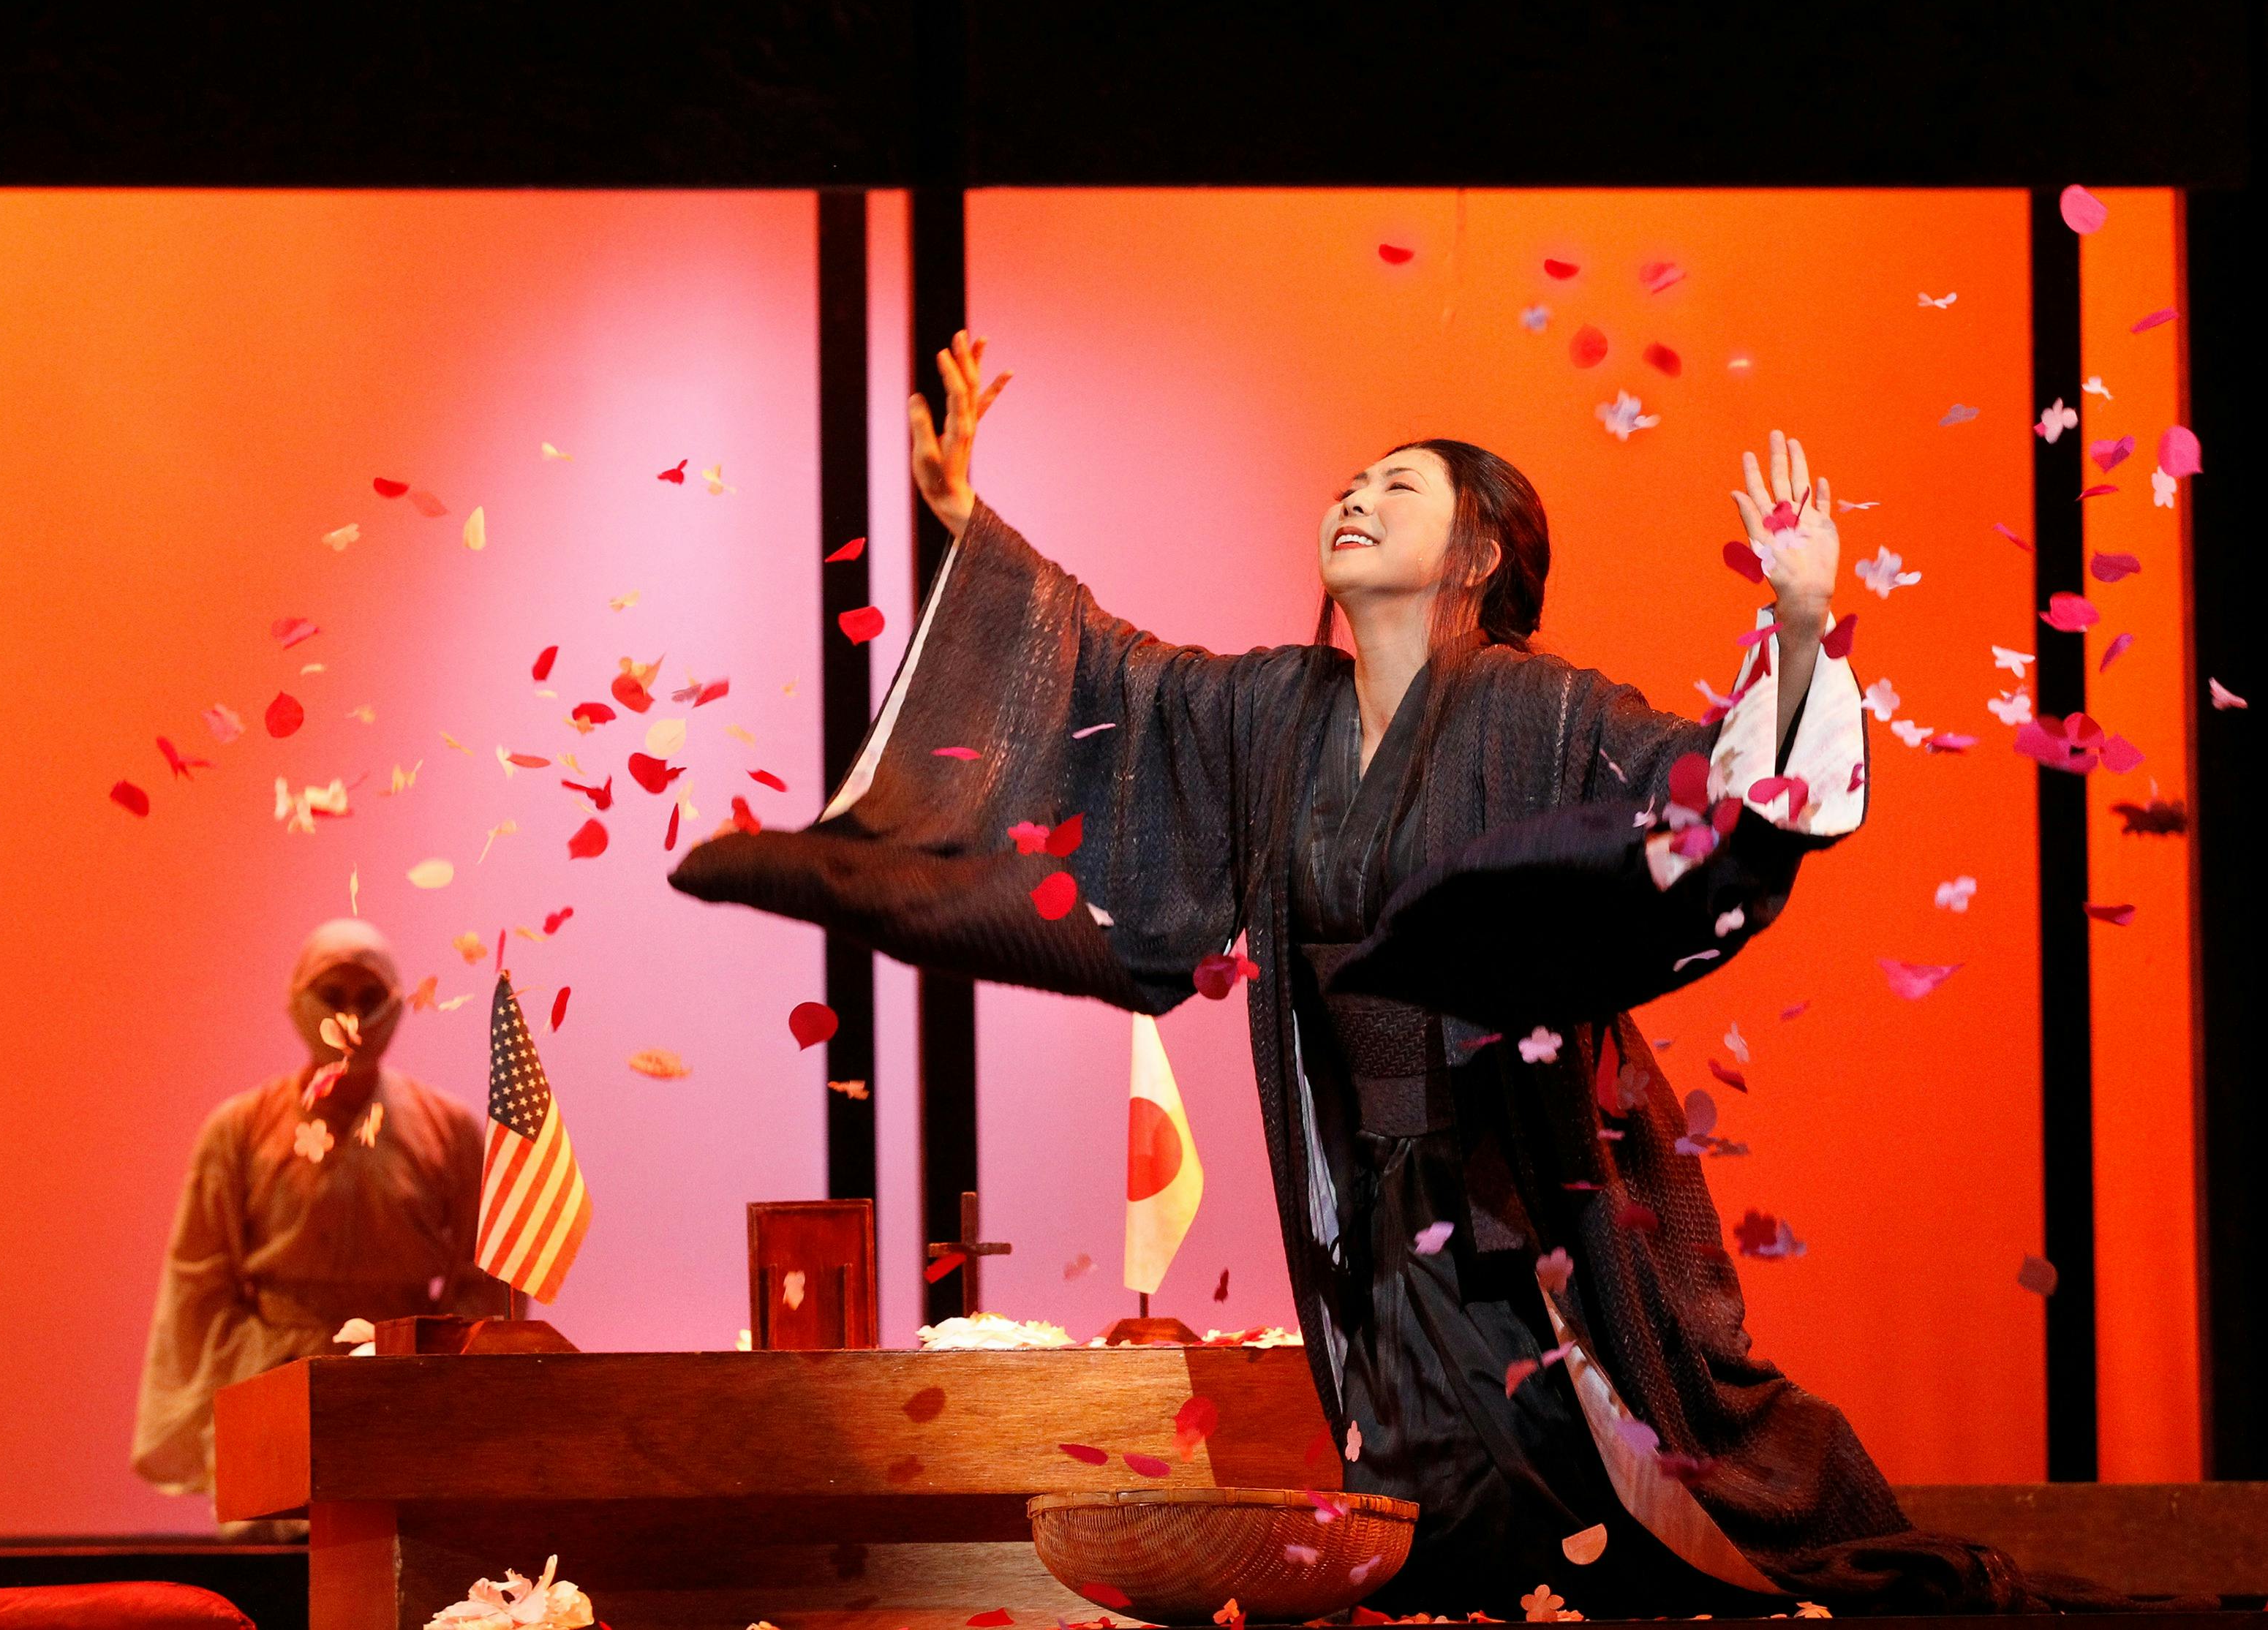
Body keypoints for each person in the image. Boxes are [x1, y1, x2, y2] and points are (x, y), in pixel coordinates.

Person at [673, 333, 2112, 1614]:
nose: (1356, 497)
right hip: (1362, 1184)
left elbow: (1707, 795)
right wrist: (969, 528)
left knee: (1622, 1459)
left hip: (1524, 1159)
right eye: (1351, 480)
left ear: (1479, 552)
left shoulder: (1540, 707)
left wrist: (1797, 624)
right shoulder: (1262, 711)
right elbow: (1102, 675)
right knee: (1433, 1498)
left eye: (1402, 486)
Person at [132, 918, 509, 1514]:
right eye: (332, 997)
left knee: (391, 1554)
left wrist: (447, 1389)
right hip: (272, 1382)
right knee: (271, 1562)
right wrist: (236, 1393)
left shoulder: (448, 1129)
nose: (352, 1017)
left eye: (370, 998)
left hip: (401, 1391)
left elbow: (485, 1278)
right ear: (298, 1000)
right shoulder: (239, 1128)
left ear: (396, 1004)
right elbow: (197, 1285)